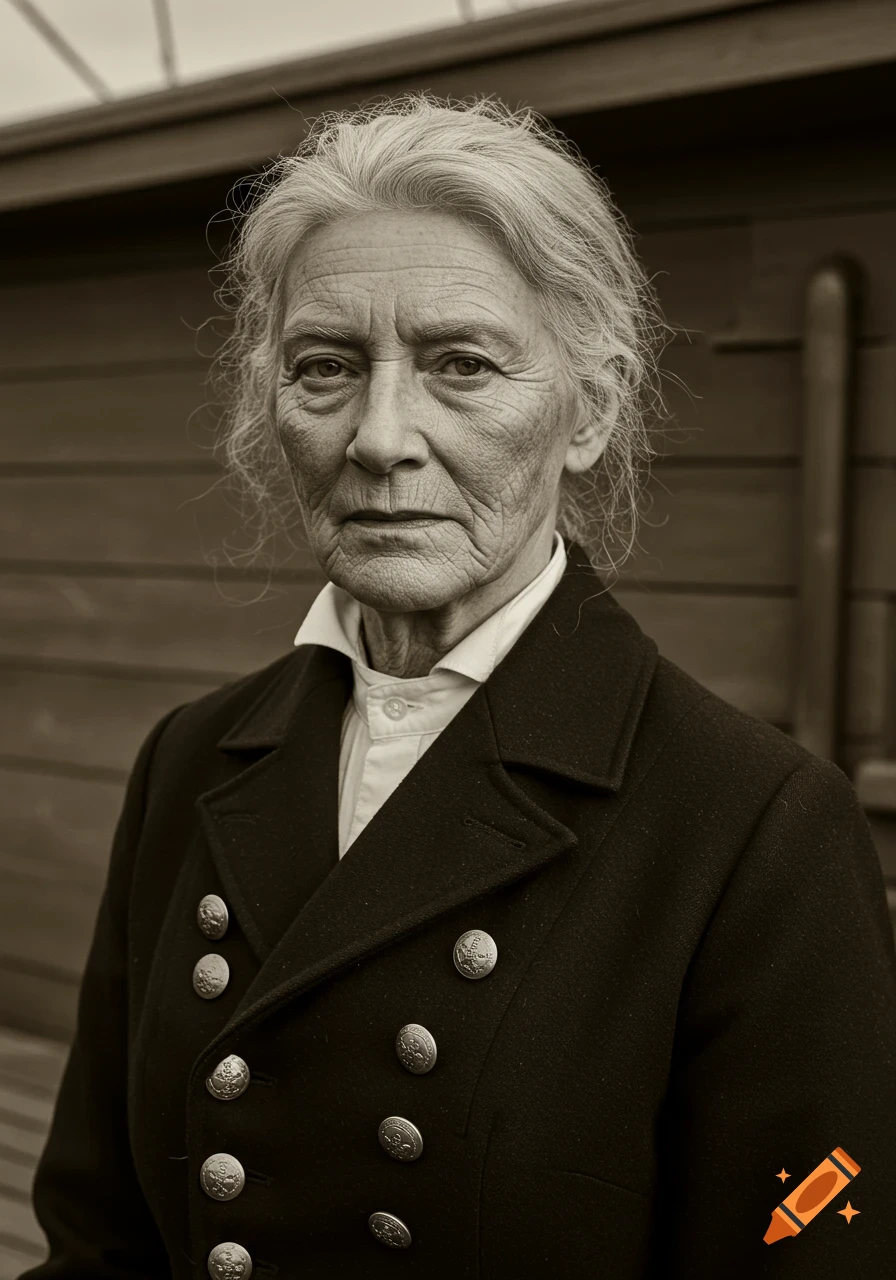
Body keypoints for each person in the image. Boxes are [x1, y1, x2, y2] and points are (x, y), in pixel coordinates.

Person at [22, 93, 896, 1280]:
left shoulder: (754, 826)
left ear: (585, 409)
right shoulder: (189, 757)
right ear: (267, 408)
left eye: (461, 364)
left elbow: (812, 1254)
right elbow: (100, 1230)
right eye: (325, 366)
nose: (380, 436)